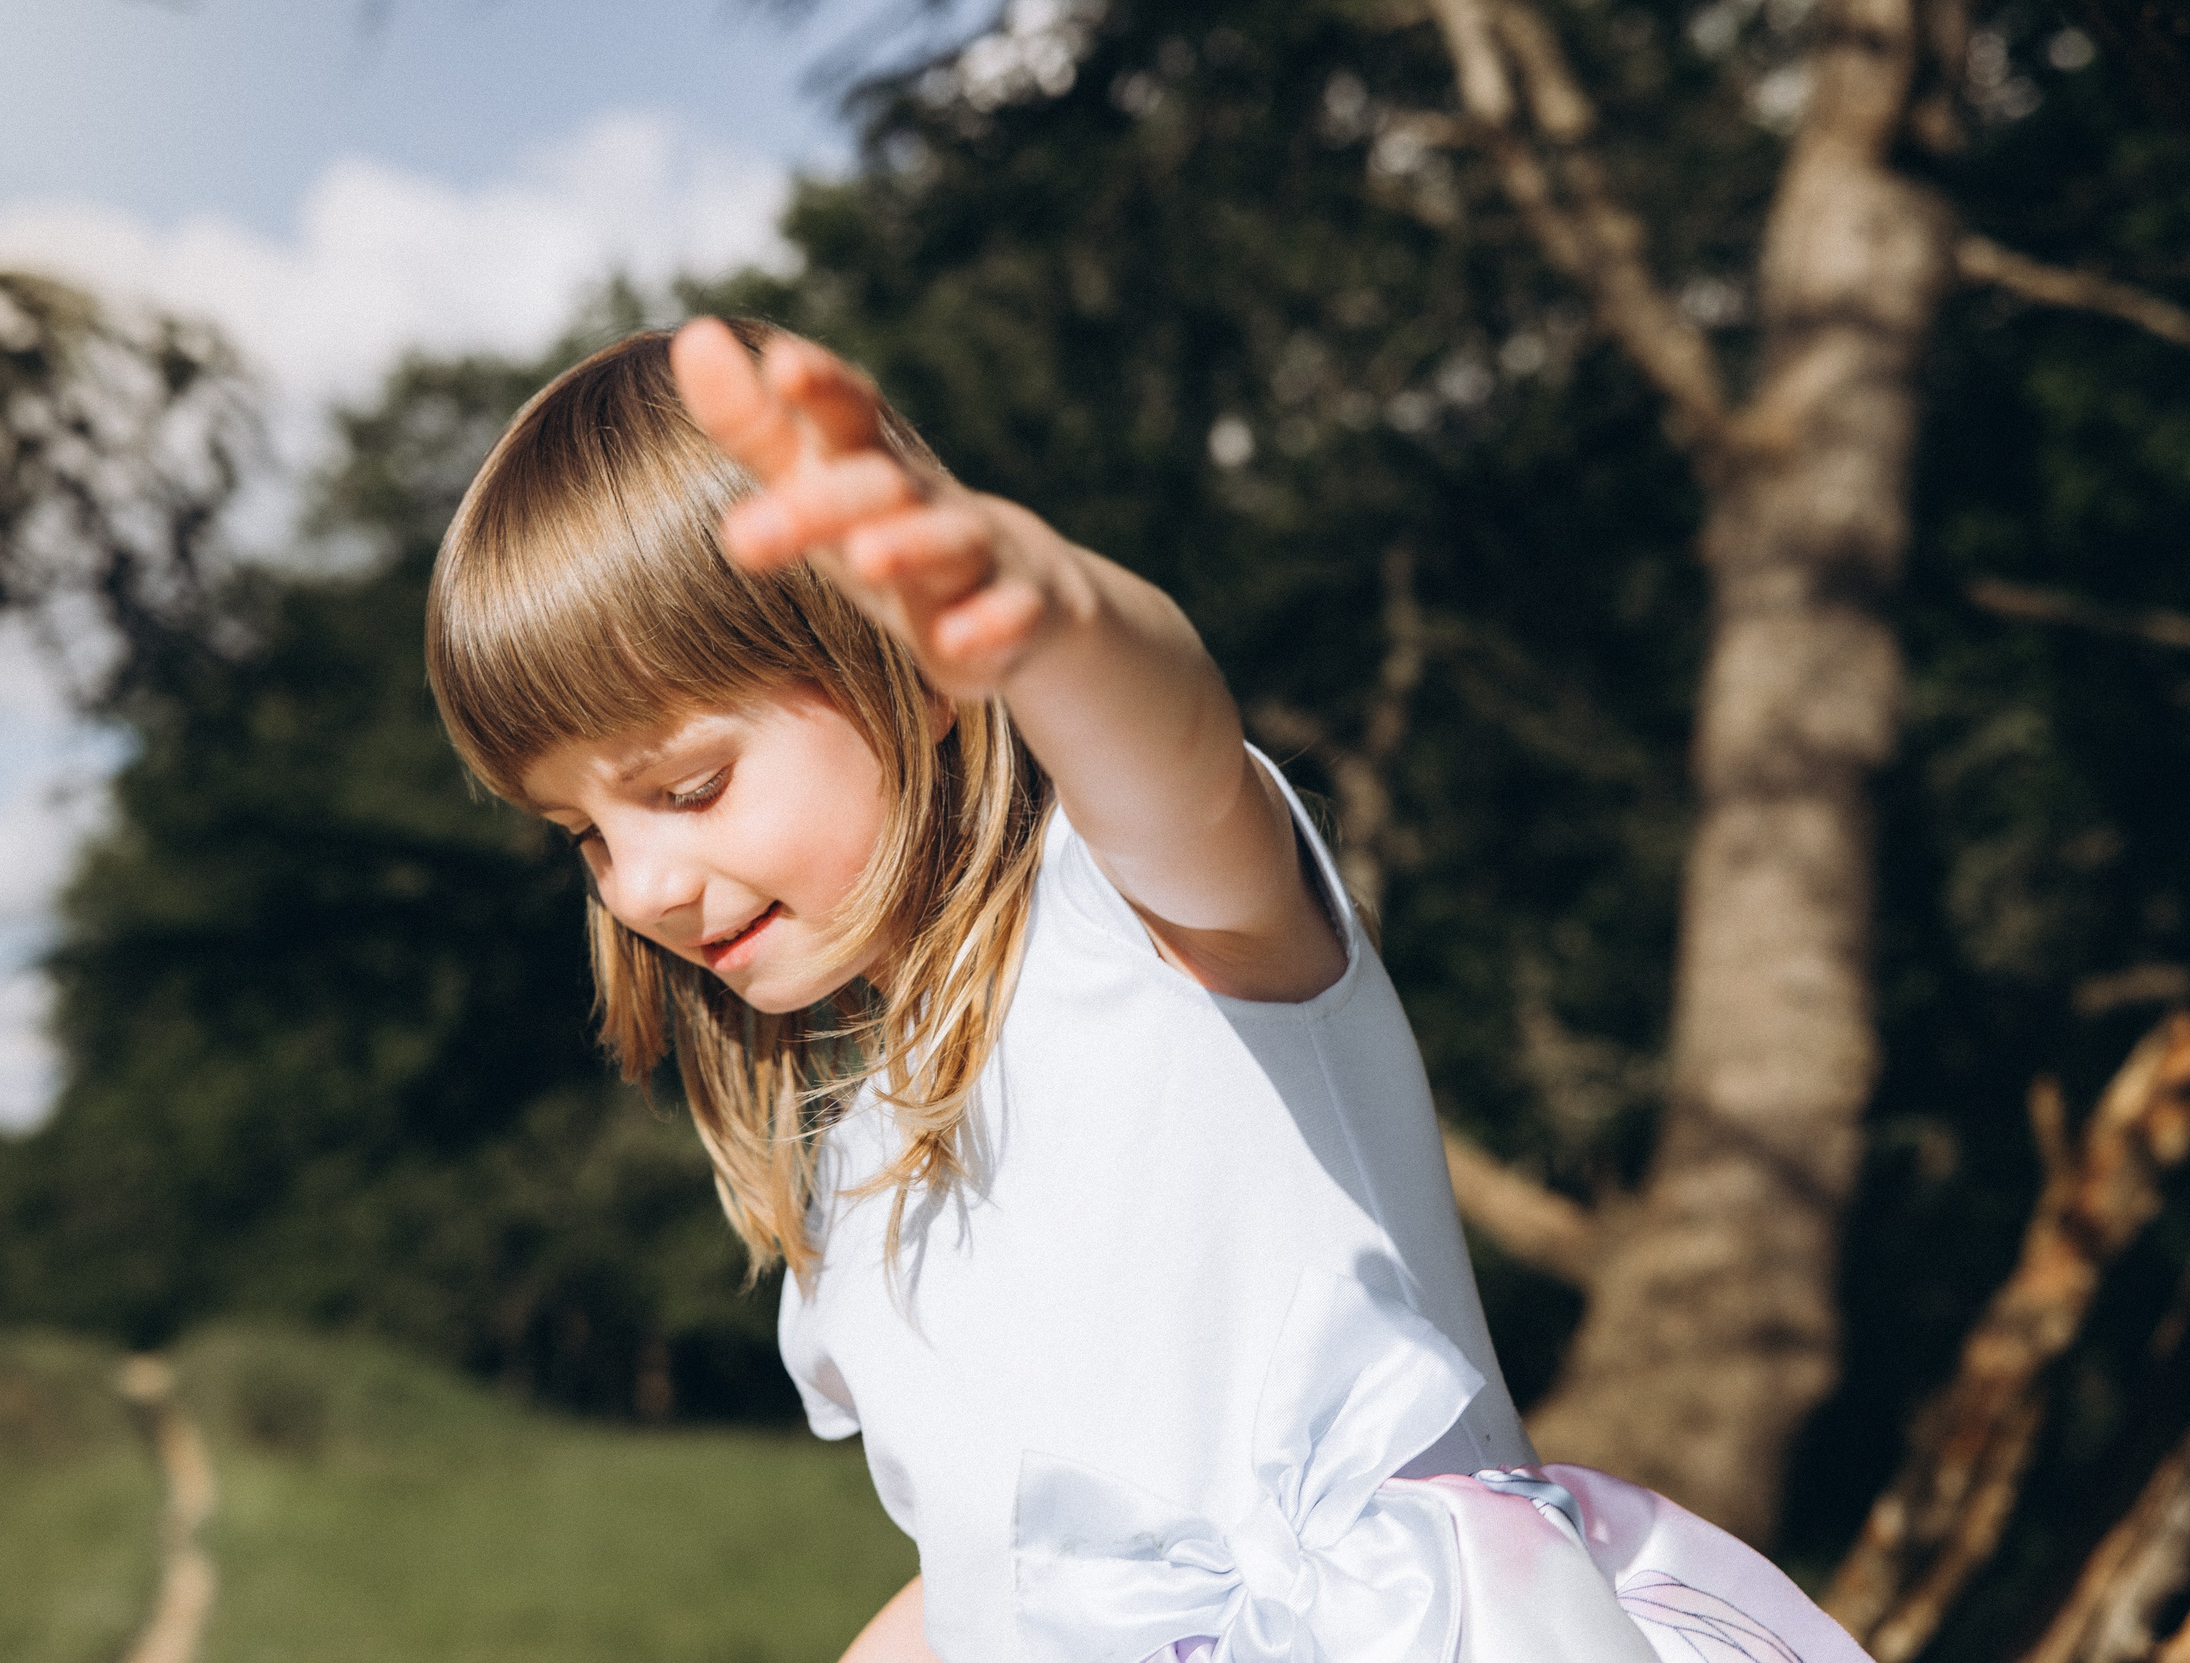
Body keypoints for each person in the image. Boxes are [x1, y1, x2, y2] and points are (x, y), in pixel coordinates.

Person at [425, 317, 1870, 1663]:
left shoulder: (1146, 920)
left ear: (911, 670)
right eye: (587, 838)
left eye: (689, 786)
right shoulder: (856, 1180)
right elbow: (1000, 1567)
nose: (640, 886)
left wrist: (1040, 612)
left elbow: (1168, 740)